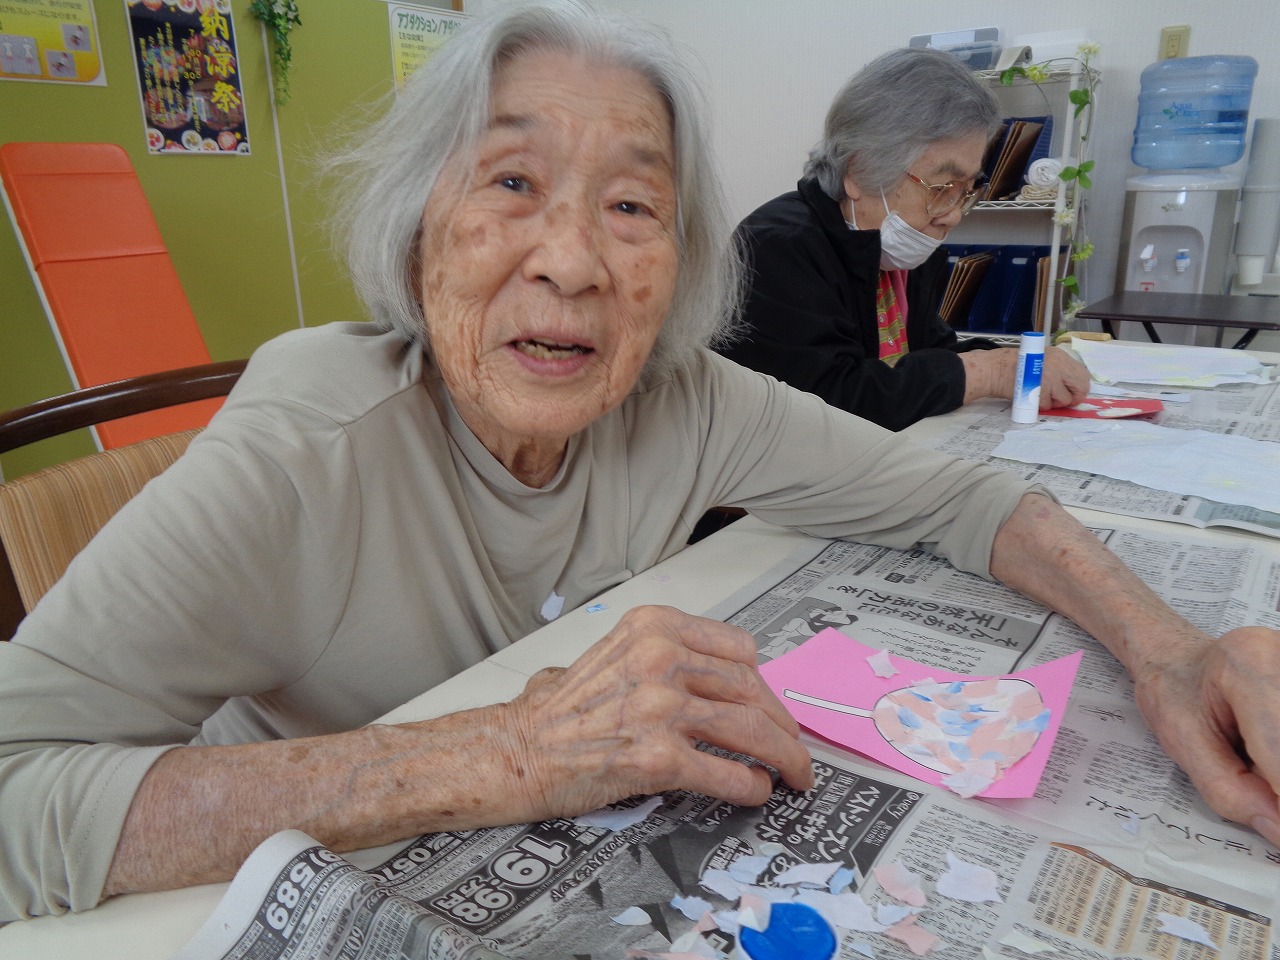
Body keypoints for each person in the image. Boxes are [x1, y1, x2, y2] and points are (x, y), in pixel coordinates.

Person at [1, 0, 1277, 925]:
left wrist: (1171, 654)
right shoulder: (300, 454)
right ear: (415, 229)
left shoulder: (684, 398)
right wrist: (508, 752)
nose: (571, 261)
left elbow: (957, 497)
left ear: (680, 265)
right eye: (510, 181)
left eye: (630, 206)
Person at [716, 47, 1092, 431]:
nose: (953, 215)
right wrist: (991, 372)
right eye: (943, 187)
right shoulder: (778, 248)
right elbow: (829, 400)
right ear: (858, 171)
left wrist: (1018, 361)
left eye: (966, 190)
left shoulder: (895, 246)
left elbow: (932, 351)